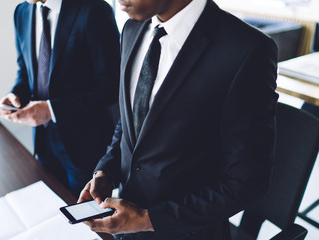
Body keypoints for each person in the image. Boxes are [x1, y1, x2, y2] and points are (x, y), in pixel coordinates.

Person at [78, 0, 279, 239]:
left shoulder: (247, 49)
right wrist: (106, 170)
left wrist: (149, 220)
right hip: (124, 227)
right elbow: (130, 121)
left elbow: (247, 182)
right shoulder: (131, 29)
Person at [0, 0, 120, 197]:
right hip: (43, 142)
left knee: (88, 221)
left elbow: (112, 86)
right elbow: (25, 71)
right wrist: (14, 96)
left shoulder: (94, 9)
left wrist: (52, 110)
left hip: (85, 146)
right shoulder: (21, 12)